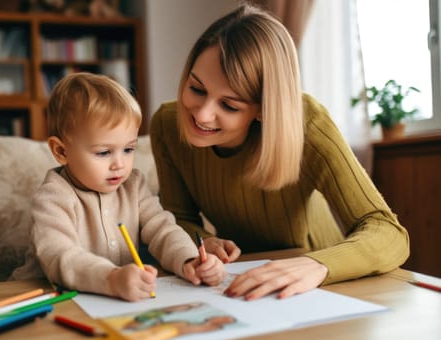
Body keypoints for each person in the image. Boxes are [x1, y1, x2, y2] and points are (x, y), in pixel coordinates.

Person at [149, 4, 409, 301]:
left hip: (324, 284)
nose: (203, 115)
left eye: (229, 105)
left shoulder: (308, 123)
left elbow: (387, 231)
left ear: (263, 110)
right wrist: (205, 241)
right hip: (243, 282)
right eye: (196, 89)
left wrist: (317, 264)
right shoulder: (167, 125)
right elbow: (178, 216)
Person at [12, 72, 226, 301]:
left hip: (110, 300)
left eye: (128, 149)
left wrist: (189, 260)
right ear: (61, 151)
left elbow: (162, 229)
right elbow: (60, 256)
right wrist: (112, 279)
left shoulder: (133, 185)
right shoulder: (53, 197)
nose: (120, 164)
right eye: (104, 152)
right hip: (42, 298)